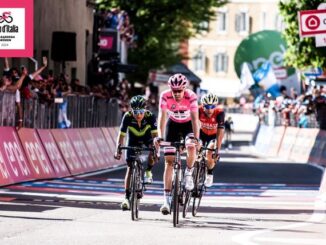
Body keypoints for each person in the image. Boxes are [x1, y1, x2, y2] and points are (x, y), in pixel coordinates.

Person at [154, 73, 200, 215]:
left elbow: (194, 119)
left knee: (191, 146)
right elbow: (161, 117)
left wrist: (196, 139)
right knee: (168, 162)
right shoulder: (165, 95)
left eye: (180, 91)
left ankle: (188, 172)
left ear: (184, 89)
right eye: (174, 91)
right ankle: (166, 200)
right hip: (172, 124)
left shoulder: (191, 96)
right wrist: (160, 136)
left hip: (188, 125)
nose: (177, 94)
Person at [114, 95, 158, 211]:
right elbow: (121, 135)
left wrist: (156, 151)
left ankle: (148, 171)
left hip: (147, 138)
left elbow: (155, 137)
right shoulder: (127, 116)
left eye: (141, 111)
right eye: (136, 111)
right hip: (132, 139)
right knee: (129, 167)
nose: (138, 114)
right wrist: (117, 149)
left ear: (145, 110)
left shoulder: (150, 117)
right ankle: (127, 198)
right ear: (131, 110)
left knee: (152, 150)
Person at [199, 92, 225, 187]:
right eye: (207, 106)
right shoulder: (198, 110)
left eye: (212, 106)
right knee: (195, 149)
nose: (209, 110)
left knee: (209, 153)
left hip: (213, 135)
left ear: (215, 106)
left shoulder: (220, 113)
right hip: (201, 134)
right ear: (203, 106)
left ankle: (209, 173)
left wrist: (217, 149)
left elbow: (221, 131)